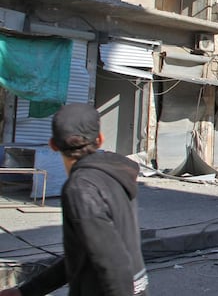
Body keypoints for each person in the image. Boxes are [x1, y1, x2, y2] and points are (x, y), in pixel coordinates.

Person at [0, 103, 148, 296]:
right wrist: (26, 291)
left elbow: (113, 263)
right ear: (100, 139)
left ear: (52, 144)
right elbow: (80, 256)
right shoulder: (114, 176)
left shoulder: (80, 189)